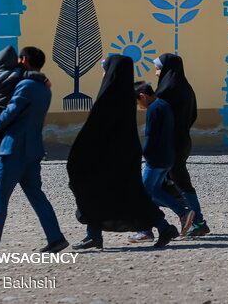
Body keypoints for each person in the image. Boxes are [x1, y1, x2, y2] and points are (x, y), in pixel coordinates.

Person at [66, 55, 179, 250]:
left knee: (108, 194)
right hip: (122, 156)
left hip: (109, 158)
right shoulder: (125, 95)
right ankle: (94, 235)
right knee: (115, 194)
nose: (103, 74)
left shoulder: (110, 95)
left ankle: (164, 227)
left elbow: (96, 129)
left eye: (105, 69)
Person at [0, 47, 68, 255]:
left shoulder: (24, 86)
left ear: (23, 60)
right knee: (37, 195)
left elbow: (12, 110)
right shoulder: (43, 88)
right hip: (33, 149)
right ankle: (56, 238)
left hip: (13, 148)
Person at [126, 82, 195, 244]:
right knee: (154, 190)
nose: (138, 105)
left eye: (137, 101)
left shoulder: (153, 108)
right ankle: (182, 214)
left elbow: (151, 135)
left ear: (142, 96)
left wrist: (145, 154)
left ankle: (146, 230)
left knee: (141, 193)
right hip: (167, 157)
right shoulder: (164, 104)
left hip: (155, 158)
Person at [153, 53, 210, 236]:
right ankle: (189, 218)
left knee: (166, 183)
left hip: (169, 143)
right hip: (182, 140)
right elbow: (192, 115)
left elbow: (158, 120)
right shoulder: (185, 88)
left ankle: (194, 219)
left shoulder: (167, 90)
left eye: (158, 67)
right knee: (170, 182)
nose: (155, 71)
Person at [0, 45, 50, 164]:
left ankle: (1, 155)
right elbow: (34, 75)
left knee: (3, 132)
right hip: (6, 107)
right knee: (11, 131)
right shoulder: (19, 72)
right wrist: (45, 81)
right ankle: (3, 155)